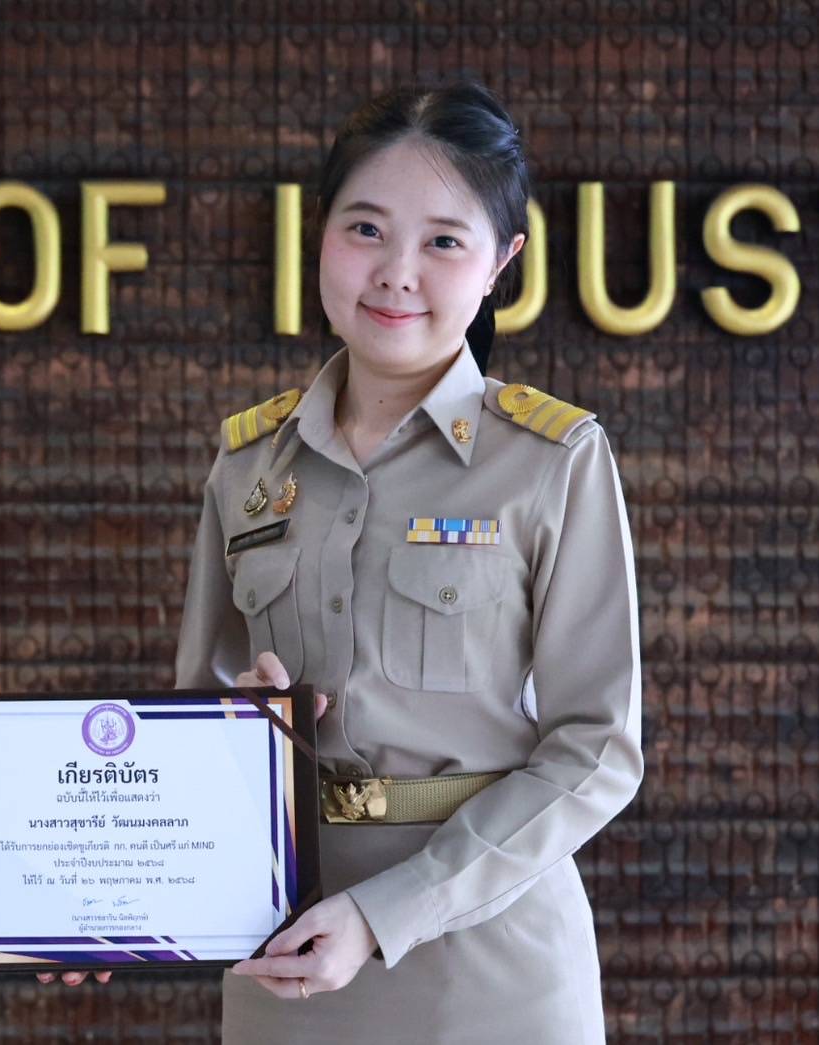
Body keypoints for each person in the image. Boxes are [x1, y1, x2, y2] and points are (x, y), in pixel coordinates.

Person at [175, 82, 643, 1043]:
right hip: (285, 953)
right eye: (365, 229)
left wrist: (387, 912)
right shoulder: (247, 463)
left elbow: (596, 749)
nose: (395, 273)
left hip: (491, 964)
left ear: (501, 262)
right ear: (317, 236)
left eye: (442, 241)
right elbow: (189, 724)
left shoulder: (551, 459)